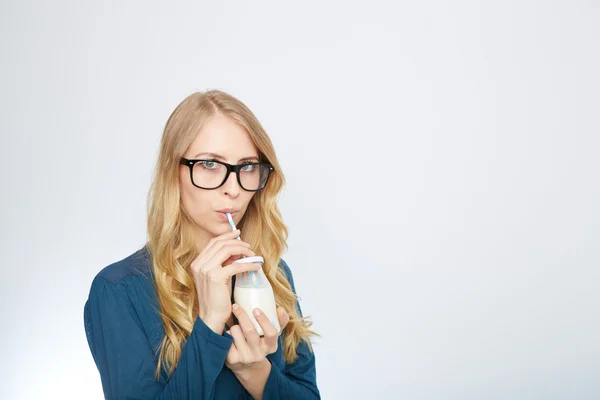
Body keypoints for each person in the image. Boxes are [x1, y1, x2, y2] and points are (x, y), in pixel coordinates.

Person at [83, 90, 320, 399]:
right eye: (210, 164)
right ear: (174, 172)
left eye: (247, 166)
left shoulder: (271, 273)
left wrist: (253, 370)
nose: (233, 189)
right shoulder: (119, 290)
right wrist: (208, 326)